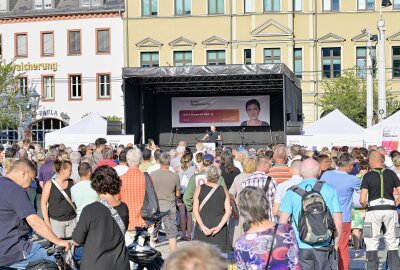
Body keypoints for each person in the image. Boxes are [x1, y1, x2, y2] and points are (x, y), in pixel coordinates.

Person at [0, 159, 70, 269]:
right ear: (24, 173)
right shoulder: (15, 189)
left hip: (4, 250)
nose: (30, 185)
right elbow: (34, 221)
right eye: (31, 179)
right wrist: (57, 241)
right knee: (57, 262)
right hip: (13, 251)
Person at [279, 158, 342, 270]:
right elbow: (338, 221)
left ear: (301, 173)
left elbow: (283, 223)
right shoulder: (330, 190)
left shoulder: (291, 192)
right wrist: (336, 244)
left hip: (301, 244)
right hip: (325, 244)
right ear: (319, 172)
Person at [72, 165, 130, 270]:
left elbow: (77, 240)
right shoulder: (123, 208)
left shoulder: (90, 210)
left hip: (96, 264)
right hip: (120, 263)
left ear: (95, 184)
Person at [234, 186, 300, 269]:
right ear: (265, 203)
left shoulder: (240, 244)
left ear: (243, 210)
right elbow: (295, 263)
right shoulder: (286, 230)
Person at [360, 151, 400, 270]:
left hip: (373, 210)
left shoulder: (368, 175)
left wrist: (366, 206)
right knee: (393, 242)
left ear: (371, 161)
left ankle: (372, 267)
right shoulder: (391, 173)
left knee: (371, 242)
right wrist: (395, 203)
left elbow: (362, 199)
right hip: (390, 209)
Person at [320, 152, 360, 270]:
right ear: (350, 166)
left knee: (324, 248)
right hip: (343, 218)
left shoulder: (326, 175)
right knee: (342, 248)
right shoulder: (353, 179)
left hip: (325, 217)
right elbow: (363, 192)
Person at [193, 165, 231, 252]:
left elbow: (195, 210)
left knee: (200, 255)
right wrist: (219, 226)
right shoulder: (223, 189)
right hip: (218, 228)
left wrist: (202, 226)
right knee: (219, 257)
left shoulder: (199, 188)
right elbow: (228, 212)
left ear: (207, 175)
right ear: (218, 176)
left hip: (202, 226)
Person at [150, 152, 181, 252]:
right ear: (169, 161)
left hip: (155, 207)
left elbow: (149, 192)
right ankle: (173, 258)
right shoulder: (175, 176)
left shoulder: (152, 175)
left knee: (152, 231)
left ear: (159, 161)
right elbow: (178, 194)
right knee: (172, 233)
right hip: (169, 207)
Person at [41, 159, 77, 238]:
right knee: (59, 248)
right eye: (70, 170)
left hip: (72, 220)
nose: (71, 172)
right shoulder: (49, 184)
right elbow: (43, 204)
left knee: (72, 247)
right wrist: (47, 222)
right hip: (56, 222)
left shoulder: (72, 182)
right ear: (62, 170)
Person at [118, 148, 147, 245]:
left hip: (127, 222)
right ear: (140, 160)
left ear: (127, 160)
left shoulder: (120, 180)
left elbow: (117, 201)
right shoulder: (146, 178)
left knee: (128, 255)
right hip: (144, 221)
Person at [242, 155, 277, 222]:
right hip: (269, 220)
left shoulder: (246, 182)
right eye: (270, 165)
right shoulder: (272, 181)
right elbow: (276, 202)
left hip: (252, 221)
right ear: (266, 165)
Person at [351, 159, 369, 258]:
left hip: (355, 207)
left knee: (356, 228)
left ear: (358, 168)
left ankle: (357, 249)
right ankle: (364, 244)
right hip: (366, 205)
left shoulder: (353, 178)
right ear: (368, 168)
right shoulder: (369, 178)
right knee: (364, 228)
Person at [177, 153, 196, 241]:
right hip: (190, 192)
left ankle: (184, 234)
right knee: (189, 215)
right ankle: (189, 234)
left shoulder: (178, 169)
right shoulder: (193, 169)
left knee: (181, 215)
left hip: (180, 191)